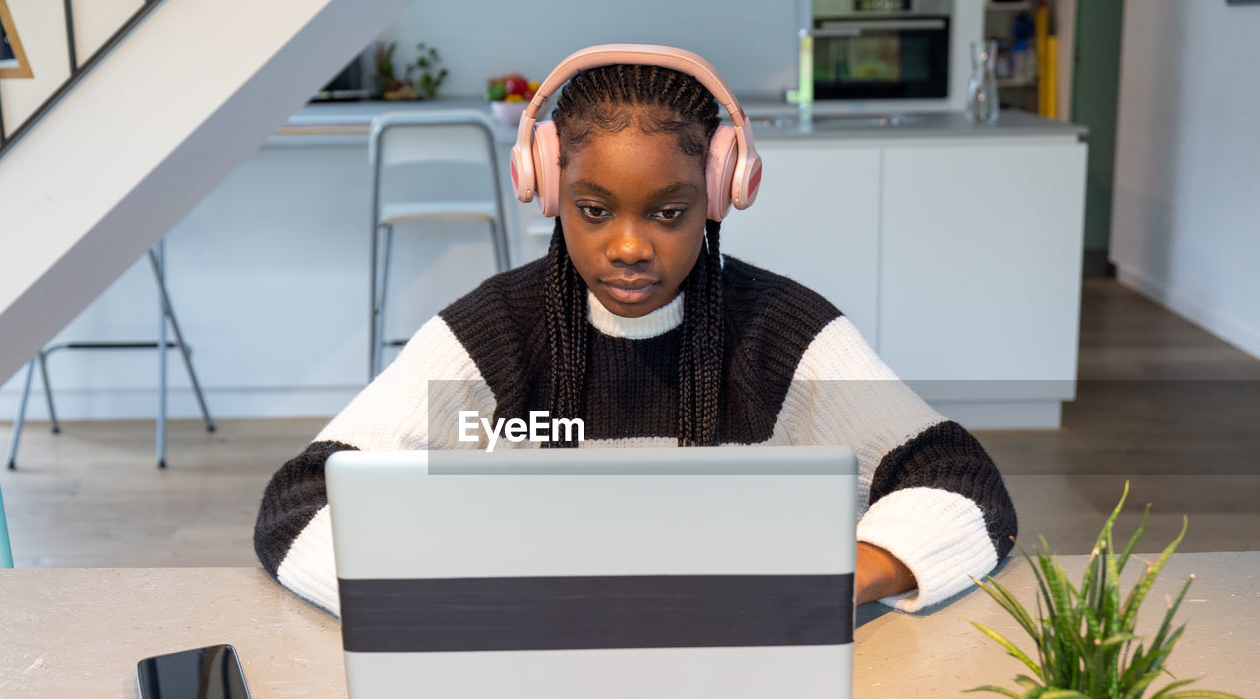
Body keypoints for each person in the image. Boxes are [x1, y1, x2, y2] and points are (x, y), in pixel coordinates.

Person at [254, 45, 1017, 617]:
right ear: (548, 187)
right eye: (593, 210)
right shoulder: (498, 338)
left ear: (719, 194)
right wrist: (453, 604)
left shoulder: (779, 335)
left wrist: (825, 579)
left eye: (668, 212)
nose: (627, 246)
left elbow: (960, 482)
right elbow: (300, 502)